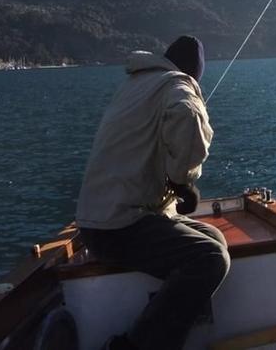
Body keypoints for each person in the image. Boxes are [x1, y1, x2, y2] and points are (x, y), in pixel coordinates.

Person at [76, 35, 229, 350]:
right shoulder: (178, 88)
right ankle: (136, 346)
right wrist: (183, 181)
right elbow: (187, 115)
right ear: (193, 71)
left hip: (105, 217)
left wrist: (175, 188)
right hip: (118, 226)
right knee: (211, 258)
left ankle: (163, 330)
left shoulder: (138, 84)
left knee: (215, 240)